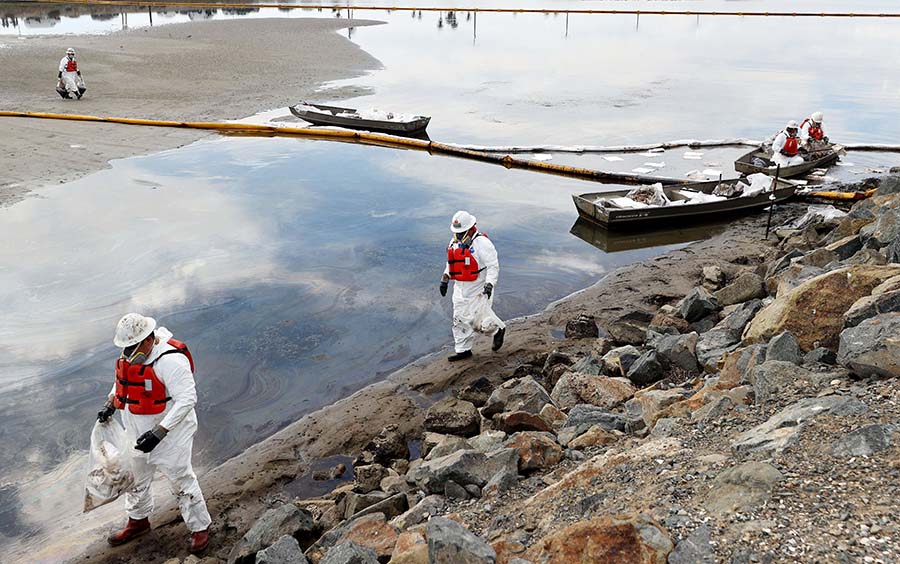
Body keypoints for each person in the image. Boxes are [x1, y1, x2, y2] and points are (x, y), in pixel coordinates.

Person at [96, 313, 211, 553]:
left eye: (133, 347)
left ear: (149, 340)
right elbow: (123, 382)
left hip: (171, 433)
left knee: (180, 479)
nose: (128, 353)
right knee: (136, 479)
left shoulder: (170, 361)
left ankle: (200, 528)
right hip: (136, 431)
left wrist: (160, 432)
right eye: (125, 348)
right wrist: (109, 405)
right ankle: (138, 522)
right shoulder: (130, 356)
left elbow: (187, 399)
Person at [439, 211, 506, 361]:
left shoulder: (482, 243)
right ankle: (463, 350)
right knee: (459, 319)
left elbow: (493, 266)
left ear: (470, 228)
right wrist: (445, 278)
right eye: (457, 232)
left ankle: (497, 331)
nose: (459, 235)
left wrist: (489, 284)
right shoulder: (454, 242)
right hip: (460, 287)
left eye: (462, 232)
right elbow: (451, 263)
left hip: (478, 287)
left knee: (478, 322)